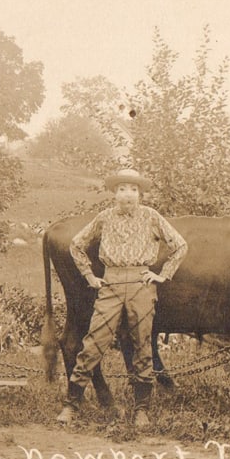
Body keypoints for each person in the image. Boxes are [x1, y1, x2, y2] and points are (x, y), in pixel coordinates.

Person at [57, 168, 187, 428]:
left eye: (133, 190)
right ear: (114, 193)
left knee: (142, 347)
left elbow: (180, 245)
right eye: (122, 189)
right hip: (111, 284)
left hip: (141, 285)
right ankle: (71, 405)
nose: (128, 195)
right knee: (93, 343)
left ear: (140, 194)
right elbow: (76, 245)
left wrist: (163, 275)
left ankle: (141, 410)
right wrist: (90, 276)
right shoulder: (104, 218)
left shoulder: (152, 217)